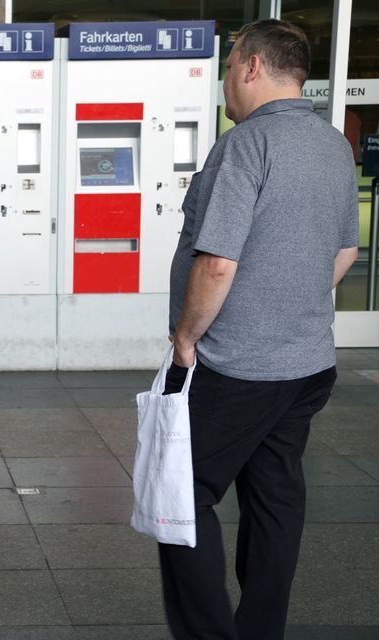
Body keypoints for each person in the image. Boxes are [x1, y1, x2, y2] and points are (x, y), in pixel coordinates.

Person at [161, 20, 360, 640]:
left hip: (237, 365)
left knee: (181, 498)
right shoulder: (334, 144)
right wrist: (292, 303)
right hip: (305, 364)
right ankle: (260, 630)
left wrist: (187, 338)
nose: (226, 81)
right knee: (275, 499)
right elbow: (345, 253)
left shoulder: (247, 143)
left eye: (228, 67)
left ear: (250, 66)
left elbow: (218, 261)